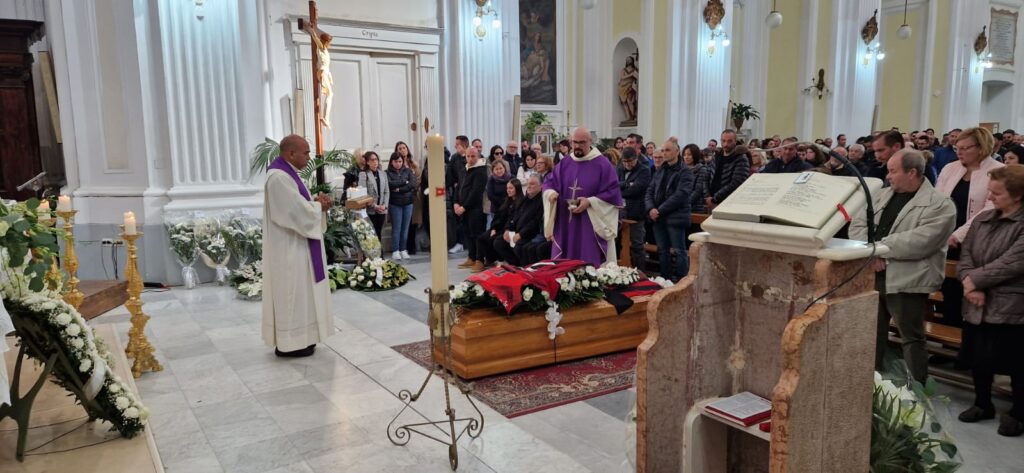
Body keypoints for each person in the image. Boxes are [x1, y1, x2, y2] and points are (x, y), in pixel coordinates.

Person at [849, 149, 956, 383]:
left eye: (893, 171)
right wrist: (871, 253)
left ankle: (917, 392)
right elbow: (857, 226)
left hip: (908, 279)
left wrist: (879, 250)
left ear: (912, 172)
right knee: (872, 334)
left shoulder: (940, 204)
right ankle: (871, 387)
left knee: (911, 337)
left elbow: (922, 241)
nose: (888, 176)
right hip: (873, 274)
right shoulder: (881, 196)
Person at [956, 166, 1024, 436]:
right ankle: (982, 403)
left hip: (1011, 306)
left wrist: (974, 281)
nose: (990, 197)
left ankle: (1018, 413)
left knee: (1017, 363)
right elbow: (966, 254)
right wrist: (969, 282)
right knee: (979, 358)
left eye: (997, 193)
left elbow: (1014, 262)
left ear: (1018, 196)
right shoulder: (984, 219)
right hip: (976, 301)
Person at [261, 135, 333, 358]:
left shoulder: (289, 175)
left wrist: (316, 203)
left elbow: (300, 205)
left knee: (302, 295)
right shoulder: (278, 177)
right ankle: (290, 343)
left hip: (299, 245)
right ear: (291, 154)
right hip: (289, 249)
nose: (309, 157)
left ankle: (303, 339)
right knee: (292, 294)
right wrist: (317, 207)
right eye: (306, 152)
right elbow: (293, 211)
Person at [936, 127, 1005, 327]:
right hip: (946, 238)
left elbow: (989, 209)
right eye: (957, 147)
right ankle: (949, 333)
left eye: (966, 148)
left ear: (981, 148)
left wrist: (958, 236)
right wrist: (941, 232)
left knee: (971, 291)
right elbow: (937, 201)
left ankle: (969, 336)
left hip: (979, 241)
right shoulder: (950, 168)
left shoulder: (998, 170)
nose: (960, 152)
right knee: (949, 290)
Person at [542, 127, 624, 266]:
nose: (577, 146)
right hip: (566, 222)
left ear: (590, 141)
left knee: (588, 262)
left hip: (590, 223)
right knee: (565, 265)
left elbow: (613, 193)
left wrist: (590, 202)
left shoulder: (603, 164)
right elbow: (549, 182)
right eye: (575, 142)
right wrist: (550, 193)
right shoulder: (565, 163)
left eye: (582, 142)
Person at [646, 140, 695, 281]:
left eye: (667, 150)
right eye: (663, 150)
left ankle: (681, 281)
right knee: (662, 250)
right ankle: (665, 279)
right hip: (658, 217)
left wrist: (659, 210)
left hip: (675, 216)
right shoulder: (661, 169)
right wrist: (650, 208)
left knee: (679, 251)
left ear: (677, 151)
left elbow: (681, 195)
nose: (664, 153)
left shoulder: (685, 171)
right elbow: (650, 190)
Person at [495, 174, 544, 266]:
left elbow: (535, 222)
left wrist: (521, 234)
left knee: (520, 247)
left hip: (530, 234)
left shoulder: (541, 200)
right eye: (528, 183)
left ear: (541, 186)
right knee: (499, 242)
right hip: (518, 231)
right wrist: (507, 229)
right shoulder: (526, 198)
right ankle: (516, 265)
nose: (529, 186)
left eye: (532, 184)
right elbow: (515, 215)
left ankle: (523, 267)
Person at [475, 179, 523, 270]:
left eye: (511, 188)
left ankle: (502, 260)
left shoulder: (521, 202)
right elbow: (498, 216)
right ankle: (482, 260)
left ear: (517, 188)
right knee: (481, 238)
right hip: (499, 227)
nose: (508, 190)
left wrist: (506, 229)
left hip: (511, 229)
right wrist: (493, 228)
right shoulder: (506, 200)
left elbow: (514, 220)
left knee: (495, 240)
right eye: (507, 188)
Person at [617, 146, 651, 269]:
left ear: (636, 158)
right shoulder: (619, 169)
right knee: (617, 242)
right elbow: (612, 185)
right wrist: (627, 184)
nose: (627, 164)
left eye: (630, 161)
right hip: (620, 212)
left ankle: (640, 271)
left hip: (636, 212)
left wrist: (620, 189)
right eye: (625, 161)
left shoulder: (644, 170)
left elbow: (637, 190)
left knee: (637, 245)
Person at [456, 146, 488, 271]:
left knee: (477, 234)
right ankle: (471, 257)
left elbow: (476, 192)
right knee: (467, 233)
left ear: (478, 156)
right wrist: (456, 203)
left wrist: (464, 206)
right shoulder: (464, 169)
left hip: (476, 208)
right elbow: (458, 187)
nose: (470, 159)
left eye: (473, 156)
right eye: (468, 156)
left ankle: (480, 260)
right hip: (464, 208)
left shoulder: (481, 170)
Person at [705, 129, 750, 211]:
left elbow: (736, 183)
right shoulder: (716, 156)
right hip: (710, 200)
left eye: (729, 141)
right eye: (723, 141)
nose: (726, 144)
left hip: (729, 203)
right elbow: (707, 177)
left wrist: (715, 199)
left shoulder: (741, 158)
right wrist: (708, 197)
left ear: (735, 141)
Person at [386, 151, 416, 260]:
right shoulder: (387, 173)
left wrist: (399, 189)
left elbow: (412, 184)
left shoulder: (408, 171)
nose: (398, 163)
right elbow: (390, 184)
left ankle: (403, 249)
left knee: (405, 228)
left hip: (408, 203)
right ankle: (395, 250)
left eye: (400, 161)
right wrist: (404, 182)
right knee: (396, 228)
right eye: (396, 161)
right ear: (391, 162)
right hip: (395, 204)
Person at [446, 136, 469, 253]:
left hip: (470, 193)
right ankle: (459, 243)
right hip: (458, 193)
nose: (455, 146)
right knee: (458, 219)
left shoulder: (473, 156)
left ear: (464, 145)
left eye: (457, 144)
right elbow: (449, 175)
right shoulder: (455, 158)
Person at [359, 151, 389, 239]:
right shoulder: (363, 174)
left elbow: (386, 191)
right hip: (370, 210)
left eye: (376, 159)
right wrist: (375, 206)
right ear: (368, 162)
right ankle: (375, 248)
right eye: (372, 160)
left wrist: (384, 205)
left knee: (379, 232)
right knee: (372, 234)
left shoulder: (383, 174)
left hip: (382, 209)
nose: (375, 161)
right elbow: (363, 194)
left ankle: (379, 248)